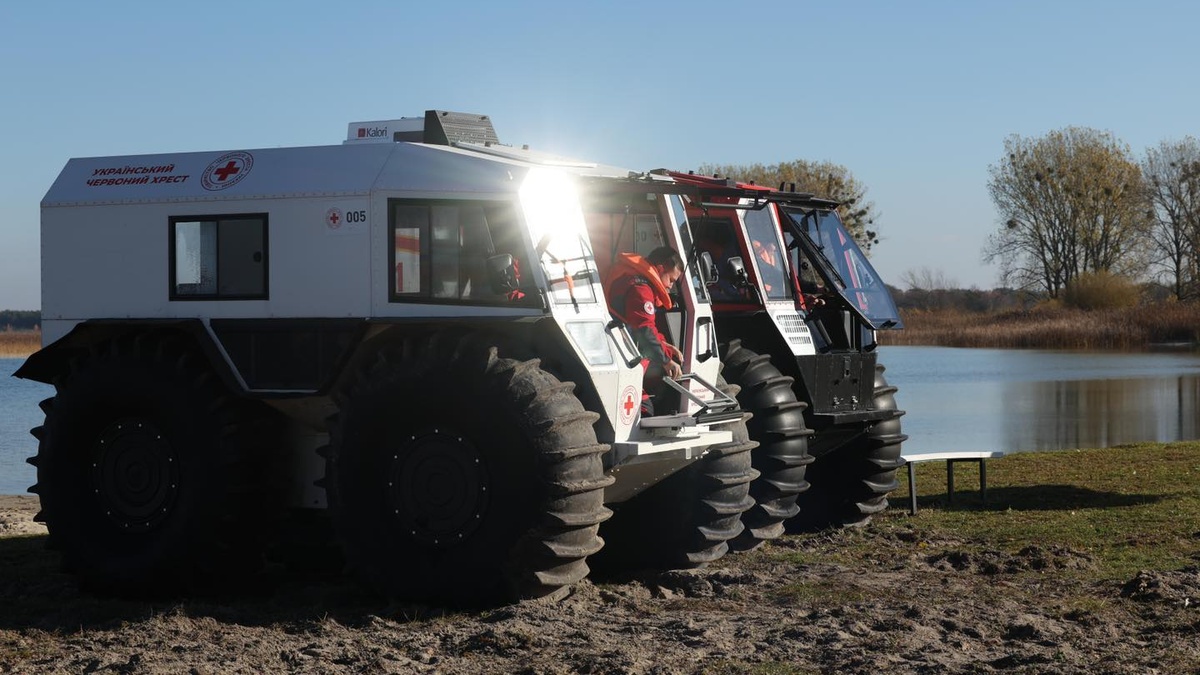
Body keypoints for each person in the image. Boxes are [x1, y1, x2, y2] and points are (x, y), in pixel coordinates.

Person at [603, 246, 685, 406]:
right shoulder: (641, 289)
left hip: (619, 350)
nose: (670, 286)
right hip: (622, 357)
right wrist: (666, 361)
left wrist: (665, 346)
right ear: (660, 269)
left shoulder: (631, 279)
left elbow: (644, 326)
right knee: (646, 409)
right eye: (671, 280)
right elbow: (644, 329)